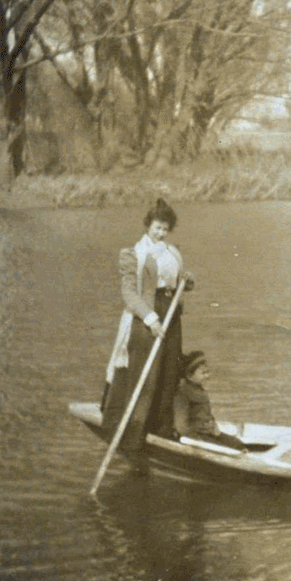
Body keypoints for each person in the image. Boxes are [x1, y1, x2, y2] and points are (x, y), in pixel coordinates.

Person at [101, 198, 194, 471]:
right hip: (146, 316)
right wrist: (152, 320)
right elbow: (129, 293)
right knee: (148, 375)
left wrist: (188, 281)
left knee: (169, 372)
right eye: (157, 227)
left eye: (165, 228)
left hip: (172, 315)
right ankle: (133, 437)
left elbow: (177, 283)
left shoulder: (173, 252)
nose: (161, 233)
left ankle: (162, 430)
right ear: (147, 225)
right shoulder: (133, 253)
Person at [173, 351, 248, 452]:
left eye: (207, 372)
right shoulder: (183, 394)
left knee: (237, 443)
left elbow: (205, 413)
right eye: (203, 373)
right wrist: (196, 440)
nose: (207, 376)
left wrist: (213, 426)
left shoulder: (199, 390)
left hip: (208, 432)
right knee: (225, 449)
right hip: (195, 436)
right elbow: (181, 426)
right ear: (190, 376)